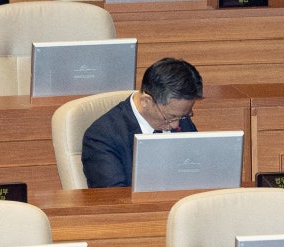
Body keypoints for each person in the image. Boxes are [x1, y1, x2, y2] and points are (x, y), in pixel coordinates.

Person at [81, 57, 203, 188]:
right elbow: (113, 197)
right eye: (170, 118)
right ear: (146, 101)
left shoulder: (180, 117)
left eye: (184, 115)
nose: (176, 125)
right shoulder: (102, 136)